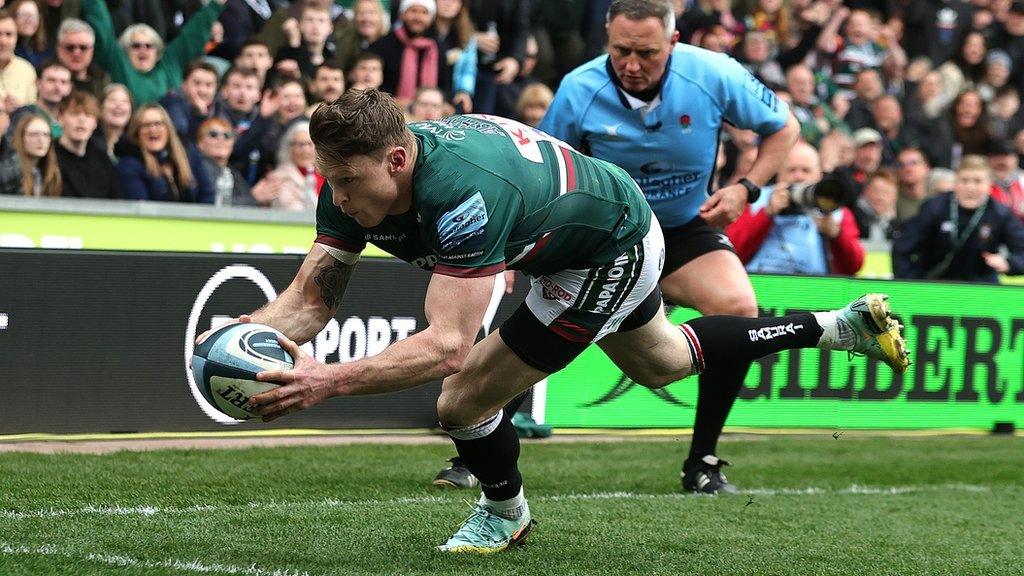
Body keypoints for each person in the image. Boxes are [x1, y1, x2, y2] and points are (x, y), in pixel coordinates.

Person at [199, 89, 908, 553]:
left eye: (350, 182)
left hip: (609, 246)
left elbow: (447, 346)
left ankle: (505, 514)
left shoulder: (463, 196)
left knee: (464, 397)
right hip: (572, 232)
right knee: (662, 360)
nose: (340, 198)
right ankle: (837, 326)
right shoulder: (349, 182)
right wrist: (251, 336)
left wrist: (326, 382)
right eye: (331, 180)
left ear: (396, 157)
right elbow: (311, 302)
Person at [539, 0, 800, 494]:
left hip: (682, 228)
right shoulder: (579, 89)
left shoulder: (714, 73)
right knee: (540, 319)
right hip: (607, 237)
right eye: (621, 51)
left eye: (647, 53)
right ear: (606, 41)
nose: (632, 65)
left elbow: (785, 127)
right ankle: (476, 446)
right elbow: (547, 169)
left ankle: (702, 460)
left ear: (674, 43)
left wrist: (747, 188)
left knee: (739, 306)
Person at [727, 141, 863, 276]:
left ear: (819, 175)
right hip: (760, 285)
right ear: (779, 173)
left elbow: (855, 266)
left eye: (806, 170)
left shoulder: (835, 210)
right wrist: (766, 214)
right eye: (791, 170)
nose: (799, 177)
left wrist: (837, 234)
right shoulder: (755, 200)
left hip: (815, 290)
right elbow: (731, 250)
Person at [893, 154, 1024, 283]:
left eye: (977, 181)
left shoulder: (1000, 213)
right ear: (955, 182)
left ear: (990, 185)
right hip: (936, 283)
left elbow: (1021, 251)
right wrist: (914, 282)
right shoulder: (935, 207)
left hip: (982, 285)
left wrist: (1009, 263)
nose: (970, 187)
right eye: (964, 180)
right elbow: (902, 248)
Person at [81, 0, 227, 104]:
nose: (143, 50)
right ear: (125, 50)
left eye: (149, 46)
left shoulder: (169, 66)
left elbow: (192, 34)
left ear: (157, 51)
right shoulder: (119, 65)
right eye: (136, 46)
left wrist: (215, 5)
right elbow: (101, 25)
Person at [116, 103, 214, 203]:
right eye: (146, 125)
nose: (153, 129)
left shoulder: (190, 156)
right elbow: (141, 209)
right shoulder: (129, 166)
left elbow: (207, 196)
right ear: (137, 133)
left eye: (158, 123)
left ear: (168, 129)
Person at [55, 90, 120, 199]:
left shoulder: (103, 160)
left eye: (88, 115)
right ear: (61, 118)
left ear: (95, 123)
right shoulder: (49, 156)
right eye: (75, 114)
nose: (82, 119)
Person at [250, 120, 322, 211]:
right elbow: (289, 209)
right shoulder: (279, 178)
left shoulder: (326, 174)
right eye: (300, 145)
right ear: (289, 148)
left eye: (310, 144)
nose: (305, 151)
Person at [195, 116, 257, 207]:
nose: (221, 140)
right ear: (199, 143)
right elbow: (213, 203)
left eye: (227, 136)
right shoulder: (198, 170)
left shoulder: (231, 171)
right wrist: (255, 197)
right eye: (213, 134)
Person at [7, 60, 72, 140]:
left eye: (63, 82)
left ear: (69, 88)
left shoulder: (70, 118)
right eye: (51, 80)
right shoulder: (23, 116)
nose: (57, 87)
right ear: (38, 84)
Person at [0, 114, 60, 196]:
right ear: (21, 138)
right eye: (34, 134)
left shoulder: (51, 171)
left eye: (46, 135)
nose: (41, 140)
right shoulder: (9, 172)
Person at [55, 18, 109, 99]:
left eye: (83, 48)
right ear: (59, 49)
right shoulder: (46, 78)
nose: (76, 53)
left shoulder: (103, 82)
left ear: (92, 51)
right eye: (70, 47)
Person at [0, 9, 38, 109]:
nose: (3, 41)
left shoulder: (26, 70)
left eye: (9, 34)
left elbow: (32, 112)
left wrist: (21, 109)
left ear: (16, 38)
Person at [97, 82, 131, 162]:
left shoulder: (136, 145)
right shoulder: (89, 142)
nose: (119, 105)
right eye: (113, 100)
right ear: (100, 107)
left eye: (124, 101)